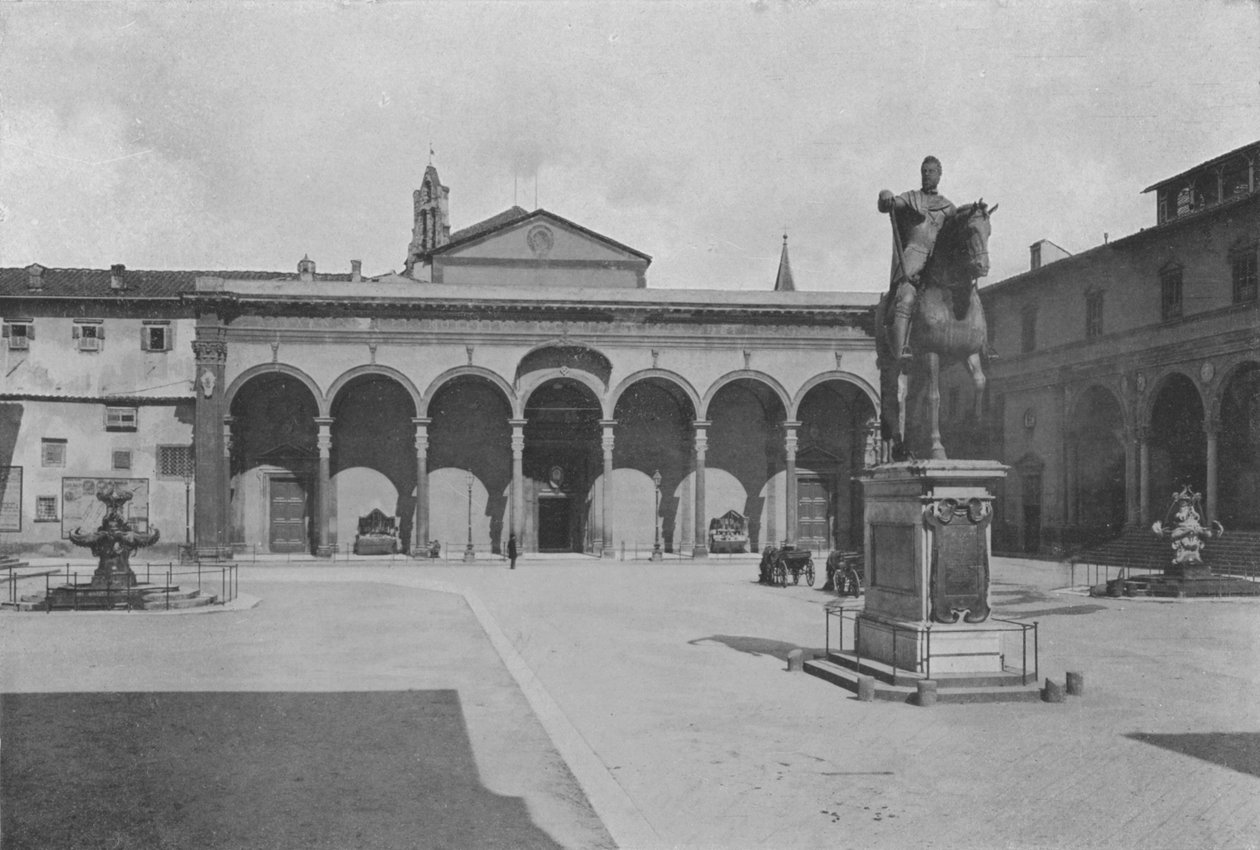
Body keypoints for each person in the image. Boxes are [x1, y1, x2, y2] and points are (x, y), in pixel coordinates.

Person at [878, 156, 957, 364]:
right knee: (906, 297)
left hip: (937, 262)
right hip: (914, 257)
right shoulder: (912, 198)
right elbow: (890, 204)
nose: (927, 175)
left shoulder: (948, 207)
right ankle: (901, 349)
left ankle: (978, 343)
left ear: (940, 175)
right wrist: (885, 196)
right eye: (924, 171)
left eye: (931, 171)